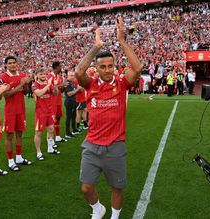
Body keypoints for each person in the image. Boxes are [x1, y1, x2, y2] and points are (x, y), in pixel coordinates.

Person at [75, 17, 143, 219]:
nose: (106, 70)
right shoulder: (91, 84)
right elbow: (79, 71)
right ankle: (97, 209)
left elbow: (137, 69)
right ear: (96, 68)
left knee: (117, 187)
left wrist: (122, 41)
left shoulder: (122, 83)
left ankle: (114, 216)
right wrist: (96, 47)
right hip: (92, 145)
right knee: (86, 187)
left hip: (115, 145)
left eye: (110, 66)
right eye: (102, 66)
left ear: (114, 66)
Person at [1, 56, 32, 172]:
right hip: (10, 111)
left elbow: (26, 92)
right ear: (6, 65)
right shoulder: (4, 77)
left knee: (19, 134)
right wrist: (20, 85)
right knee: (9, 136)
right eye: (10, 63)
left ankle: (19, 158)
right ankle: (10, 161)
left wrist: (25, 85)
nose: (13, 65)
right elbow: (6, 95)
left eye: (14, 63)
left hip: (21, 109)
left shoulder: (22, 75)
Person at [32, 68, 61, 161]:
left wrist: (55, 86)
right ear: (37, 75)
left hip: (49, 111)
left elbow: (56, 93)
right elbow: (39, 93)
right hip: (40, 112)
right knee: (38, 133)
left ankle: (50, 148)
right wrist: (48, 85)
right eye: (41, 74)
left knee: (51, 129)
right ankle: (39, 152)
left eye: (44, 74)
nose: (43, 76)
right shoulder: (35, 84)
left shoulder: (50, 84)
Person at [47, 61, 69, 142]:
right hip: (52, 102)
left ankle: (58, 136)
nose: (61, 68)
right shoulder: (49, 76)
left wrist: (64, 87)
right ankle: (51, 141)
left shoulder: (59, 77)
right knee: (52, 121)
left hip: (58, 101)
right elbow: (49, 88)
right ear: (56, 67)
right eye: (60, 66)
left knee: (58, 118)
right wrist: (61, 85)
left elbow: (61, 90)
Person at [64, 71, 82, 138]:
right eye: (71, 75)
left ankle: (74, 129)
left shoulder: (73, 82)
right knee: (69, 117)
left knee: (73, 116)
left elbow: (75, 91)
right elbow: (69, 93)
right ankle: (67, 132)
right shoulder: (67, 83)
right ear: (67, 76)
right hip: (69, 102)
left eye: (73, 75)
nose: (72, 77)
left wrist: (79, 89)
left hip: (74, 101)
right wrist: (78, 89)